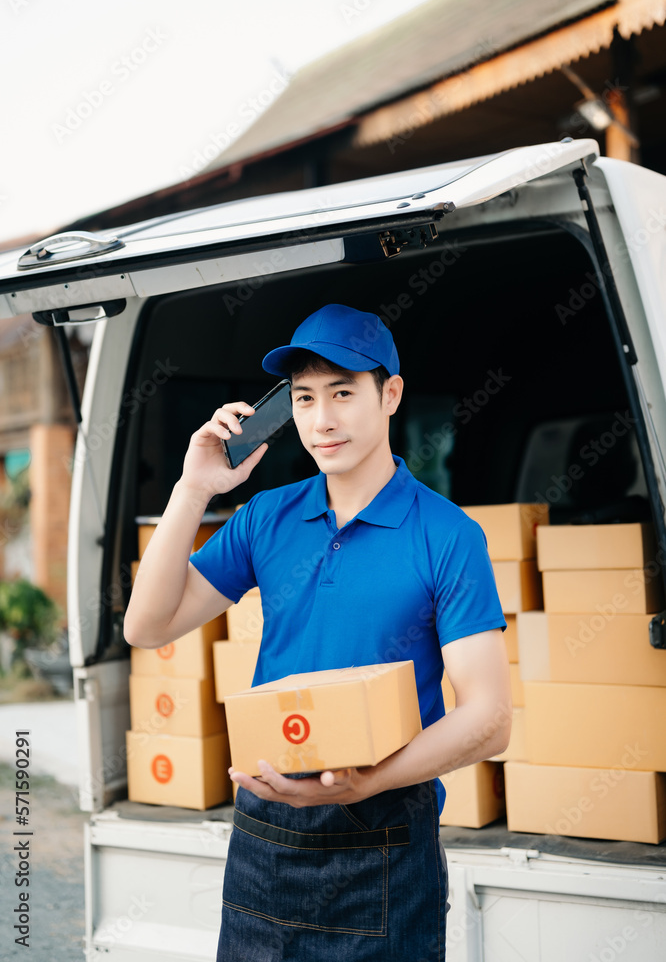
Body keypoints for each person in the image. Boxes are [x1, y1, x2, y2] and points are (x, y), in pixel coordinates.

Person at [124, 303, 511, 961]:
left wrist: (367, 780)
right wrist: (193, 491)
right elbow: (146, 624)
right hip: (264, 840)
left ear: (390, 394)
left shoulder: (447, 536)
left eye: (342, 392)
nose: (322, 418)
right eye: (303, 398)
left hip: (384, 836)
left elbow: (489, 718)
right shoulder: (264, 518)